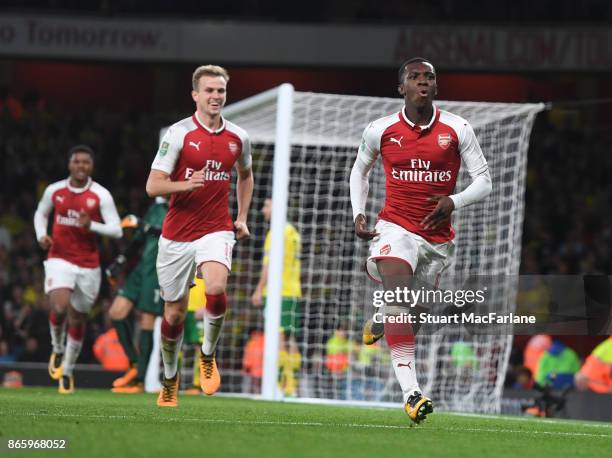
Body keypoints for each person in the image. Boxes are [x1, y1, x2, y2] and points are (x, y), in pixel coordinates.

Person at [349, 57, 492, 423]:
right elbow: (359, 171)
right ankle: (412, 393)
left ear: (436, 86)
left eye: (429, 77)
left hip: (437, 240)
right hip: (394, 228)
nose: (423, 82)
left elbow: (484, 181)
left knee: (413, 317)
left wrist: (453, 201)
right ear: (402, 88)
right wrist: (359, 212)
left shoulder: (457, 128)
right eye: (414, 77)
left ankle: (384, 316)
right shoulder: (379, 130)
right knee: (398, 297)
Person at [146, 64, 253, 407]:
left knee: (216, 286)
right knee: (174, 314)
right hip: (177, 234)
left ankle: (207, 354)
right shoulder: (177, 134)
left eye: (220, 91)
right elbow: (153, 186)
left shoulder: (238, 137)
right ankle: (170, 377)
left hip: (216, 228)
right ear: (195, 95)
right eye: (209, 90)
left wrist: (243, 216)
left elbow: (246, 175)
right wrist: (184, 184)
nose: (216, 96)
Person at [34, 145, 122, 393]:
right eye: (77, 162)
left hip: (88, 265)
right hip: (59, 257)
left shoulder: (101, 195)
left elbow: (116, 229)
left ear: (91, 166)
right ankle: (58, 349)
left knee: (78, 317)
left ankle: (68, 371)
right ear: (69, 164)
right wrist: (41, 235)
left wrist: (91, 225)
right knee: (59, 306)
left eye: (86, 162)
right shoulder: (55, 190)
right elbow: (40, 214)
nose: (81, 166)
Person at [106, 197, 168, 393]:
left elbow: (174, 235)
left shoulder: (182, 206)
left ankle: (140, 381)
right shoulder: (156, 207)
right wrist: (121, 261)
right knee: (116, 313)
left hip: (159, 270)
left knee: (147, 320)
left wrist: (144, 226)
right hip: (142, 268)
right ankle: (134, 364)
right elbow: (141, 236)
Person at [251, 198, 302, 396]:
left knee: (279, 337)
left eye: (266, 206)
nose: (263, 210)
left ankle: (283, 386)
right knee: (289, 339)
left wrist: (258, 289)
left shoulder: (276, 233)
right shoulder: (293, 232)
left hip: (278, 292)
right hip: (293, 290)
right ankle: (291, 384)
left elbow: (269, 265)